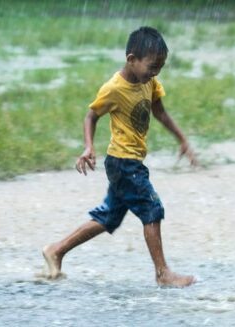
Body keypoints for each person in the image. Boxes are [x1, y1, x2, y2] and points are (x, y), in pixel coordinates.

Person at [42, 26, 197, 287]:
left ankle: (56, 250)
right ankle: (163, 274)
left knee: (108, 218)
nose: (155, 72)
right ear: (131, 60)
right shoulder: (114, 88)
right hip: (123, 162)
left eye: (160, 67)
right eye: (152, 66)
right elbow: (91, 115)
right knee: (151, 208)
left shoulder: (150, 82)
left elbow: (160, 112)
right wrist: (88, 147)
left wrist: (182, 139)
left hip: (130, 161)